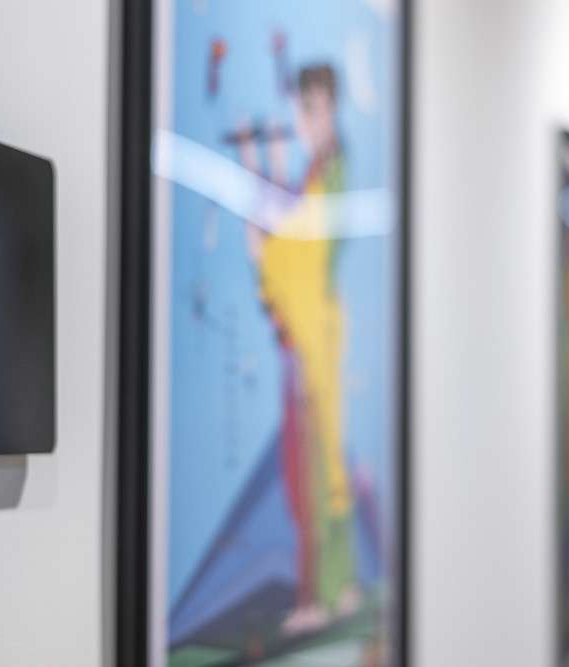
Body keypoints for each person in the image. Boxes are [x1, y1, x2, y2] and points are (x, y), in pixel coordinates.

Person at [237, 63, 361, 635]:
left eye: (313, 110)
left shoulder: (331, 173)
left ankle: (320, 593)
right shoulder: (323, 170)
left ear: (328, 108)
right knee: (317, 467)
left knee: (313, 469)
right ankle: (337, 587)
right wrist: (257, 164)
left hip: (313, 341)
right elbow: (287, 215)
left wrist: (261, 235)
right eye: (302, 110)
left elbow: (289, 236)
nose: (306, 121)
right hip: (312, 337)